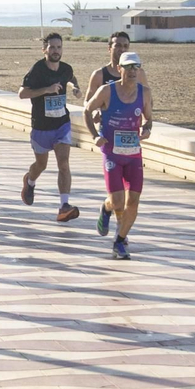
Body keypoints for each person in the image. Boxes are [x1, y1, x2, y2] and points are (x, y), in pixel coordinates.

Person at [81, 50, 151, 260]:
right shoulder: (106, 91)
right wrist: (95, 135)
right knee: (117, 201)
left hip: (133, 154)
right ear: (119, 69)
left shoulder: (144, 93)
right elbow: (86, 110)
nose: (131, 71)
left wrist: (147, 129)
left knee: (134, 201)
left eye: (135, 67)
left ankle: (120, 241)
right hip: (112, 152)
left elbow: (149, 119)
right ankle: (106, 207)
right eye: (127, 67)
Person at [19, 32, 81, 222]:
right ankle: (29, 181)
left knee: (63, 163)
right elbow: (22, 93)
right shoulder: (37, 70)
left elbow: (71, 78)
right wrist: (46, 90)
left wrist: (75, 88)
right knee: (41, 165)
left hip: (61, 124)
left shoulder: (65, 68)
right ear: (44, 49)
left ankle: (64, 206)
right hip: (41, 126)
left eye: (59, 47)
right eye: (52, 47)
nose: (56, 51)